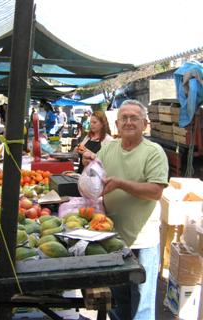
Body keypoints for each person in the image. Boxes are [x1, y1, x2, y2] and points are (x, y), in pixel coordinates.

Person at [82, 100, 169, 320]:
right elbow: (98, 175)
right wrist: (89, 165)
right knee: (118, 301)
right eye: (124, 118)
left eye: (134, 118)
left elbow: (155, 191)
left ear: (145, 124)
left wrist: (121, 184)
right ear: (117, 123)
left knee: (141, 305)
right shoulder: (109, 147)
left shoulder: (154, 152)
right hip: (113, 239)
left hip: (142, 241)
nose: (128, 122)